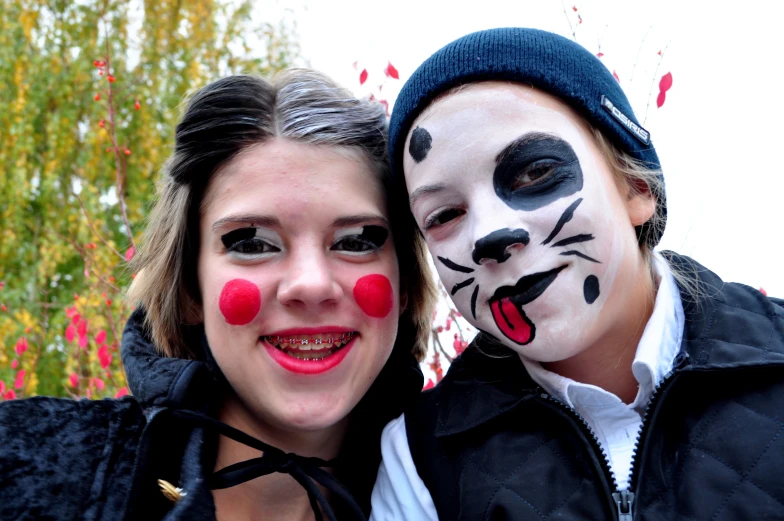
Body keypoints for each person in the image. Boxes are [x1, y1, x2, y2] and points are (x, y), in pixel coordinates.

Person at [371, 28, 784, 520]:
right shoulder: (419, 460)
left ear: (635, 188)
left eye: (534, 172)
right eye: (443, 215)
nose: (490, 235)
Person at [0, 69, 437, 521]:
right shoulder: (20, 461)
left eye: (357, 240)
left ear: (405, 284)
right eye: (251, 243)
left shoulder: (462, 488)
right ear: (189, 289)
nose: (311, 285)